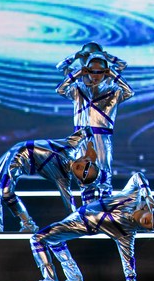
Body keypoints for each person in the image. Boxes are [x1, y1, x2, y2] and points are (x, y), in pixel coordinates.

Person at [27, 171, 154, 281]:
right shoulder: (131, 197)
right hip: (81, 212)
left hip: (81, 224)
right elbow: (138, 176)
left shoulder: (127, 233)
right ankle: (74, 278)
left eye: (153, 226)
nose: (150, 222)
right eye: (153, 217)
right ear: (151, 208)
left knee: (37, 239)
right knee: (55, 240)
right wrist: (149, 196)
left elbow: (128, 260)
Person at [0, 130, 101, 233]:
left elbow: (69, 204)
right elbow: (87, 131)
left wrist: (78, 223)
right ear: (86, 159)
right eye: (87, 165)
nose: (82, 169)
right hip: (16, 149)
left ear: (79, 180)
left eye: (84, 174)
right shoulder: (71, 145)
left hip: (18, 162)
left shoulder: (62, 178)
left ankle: (28, 224)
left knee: (6, 191)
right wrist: (91, 146)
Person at [56, 52, 134, 203]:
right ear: (87, 70)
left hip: (102, 137)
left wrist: (113, 73)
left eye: (100, 72)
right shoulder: (78, 89)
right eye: (92, 71)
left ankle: (104, 210)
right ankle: (87, 210)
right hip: (81, 137)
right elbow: (60, 89)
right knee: (83, 175)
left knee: (104, 174)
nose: (95, 75)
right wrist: (78, 73)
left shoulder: (113, 91)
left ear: (105, 72)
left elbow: (129, 92)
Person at [56, 41, 127, 76]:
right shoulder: (76, 73)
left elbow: (123, 65)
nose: (90, 59)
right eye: (85, 55)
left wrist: (108, 57)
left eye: (94, 56)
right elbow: (60, 67)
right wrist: (74, 56)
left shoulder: (107, 73)